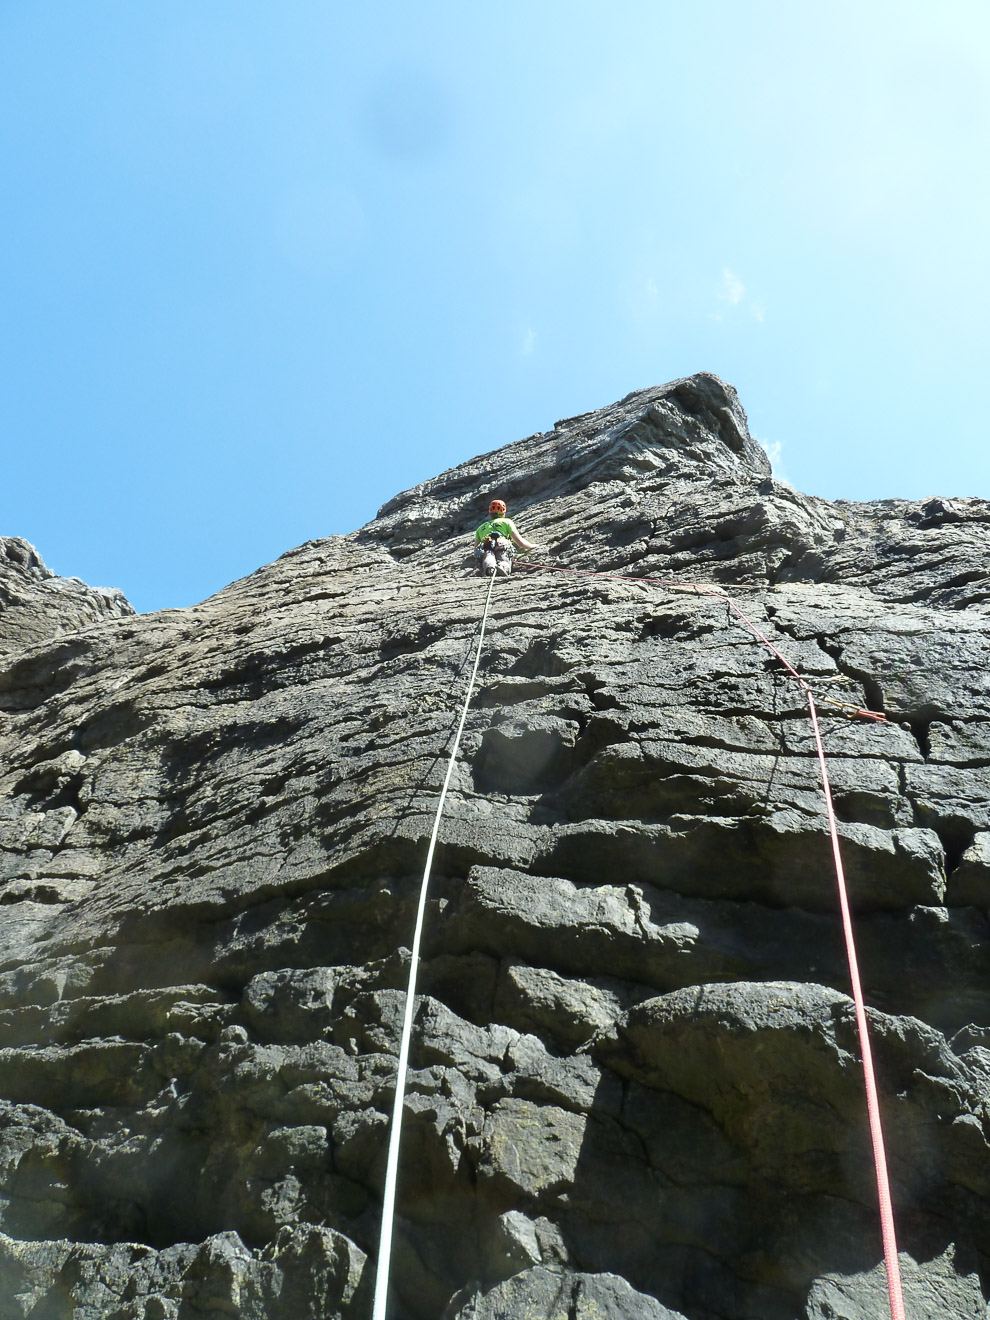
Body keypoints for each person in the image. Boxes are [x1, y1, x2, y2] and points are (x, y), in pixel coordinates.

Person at [474, 499, 536, 576]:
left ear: (490, 513)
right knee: (503, 558)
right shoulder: (507, 522)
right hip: (502, 543)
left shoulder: (480, 528)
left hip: (486, 545)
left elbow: (476, 549)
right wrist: (532, 546)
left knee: (488, 556)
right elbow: (520, 542)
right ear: (503, 513)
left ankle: (490, 568)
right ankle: (503, 567)